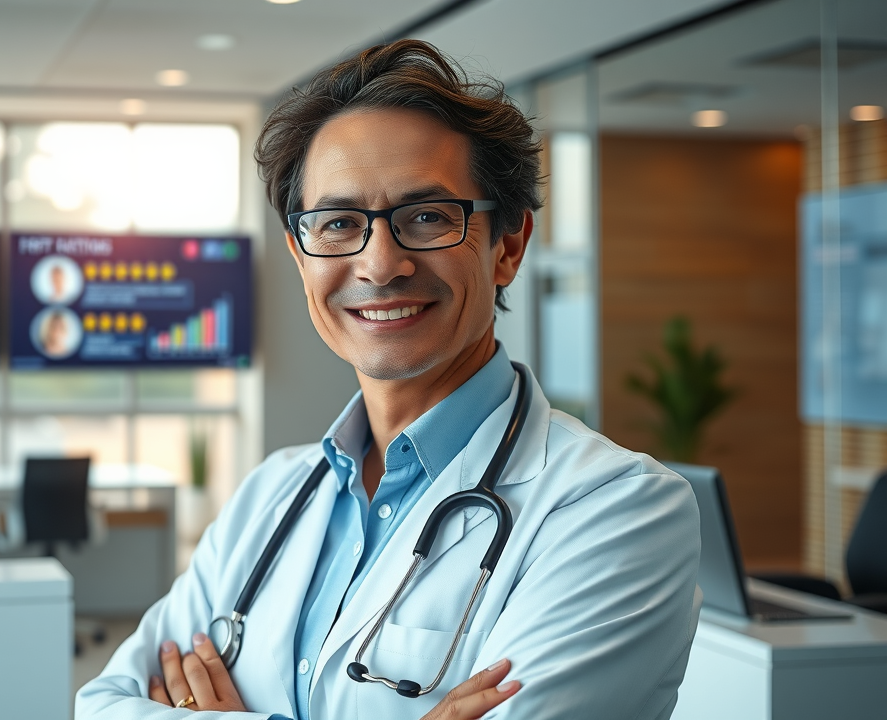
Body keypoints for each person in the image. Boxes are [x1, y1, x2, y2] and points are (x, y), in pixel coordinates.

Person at [76, 40, 699, 720]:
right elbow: (103, 705)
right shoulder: (269, 497)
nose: (379, 264)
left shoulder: (616, 509)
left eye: (427, 217)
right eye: (339, 223)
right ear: (301, 256)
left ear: (509, 246)